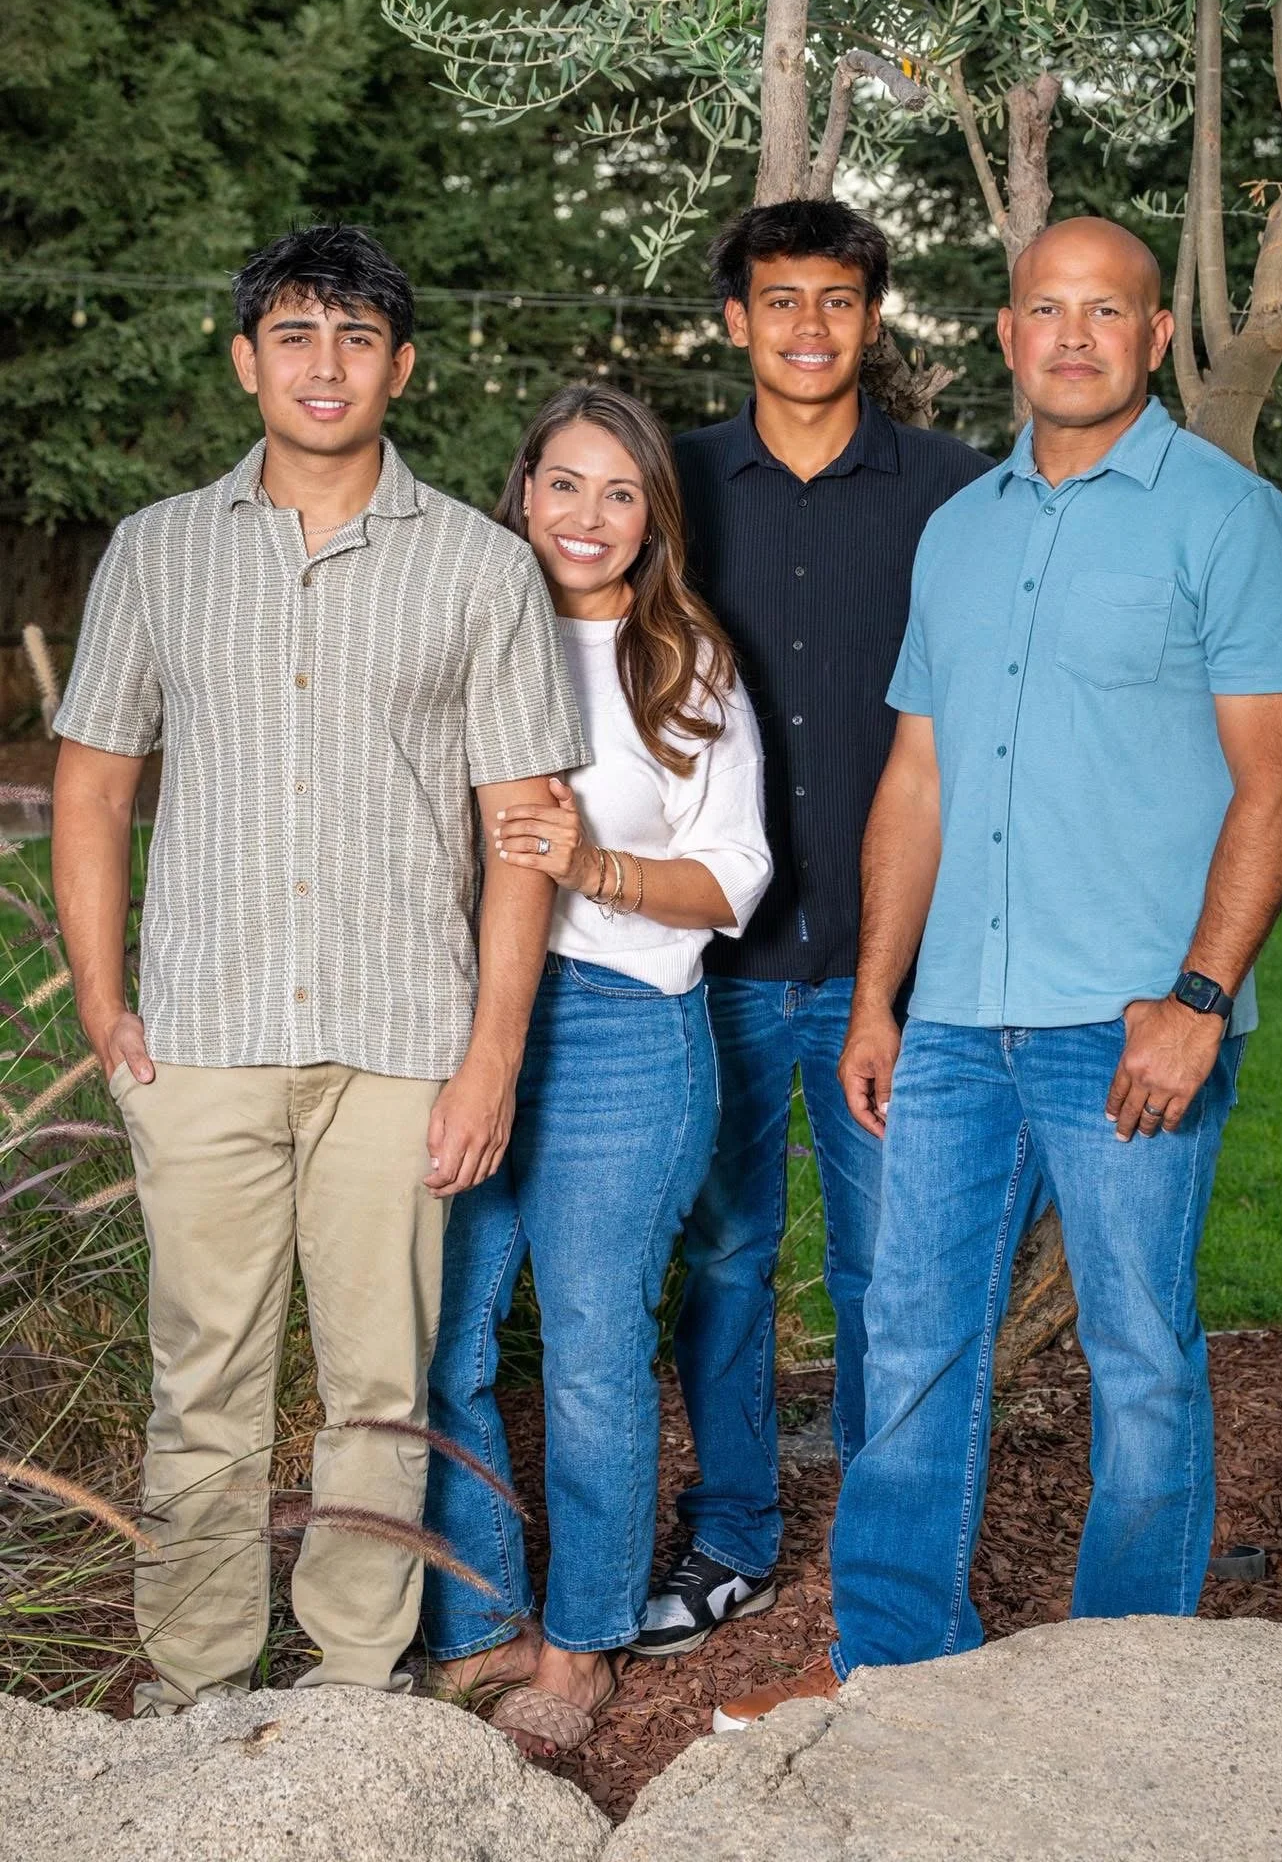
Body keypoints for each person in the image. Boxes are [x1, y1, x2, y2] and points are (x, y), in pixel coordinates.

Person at [716, 214, 1282, 1726]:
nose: (1071, 336)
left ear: (1153, 338)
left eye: (1104, 312)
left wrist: (1194, 1001)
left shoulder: (1225, 519)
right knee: (910, 1340)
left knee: (1138, 1353)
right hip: (950, 1026)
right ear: (1005, 335)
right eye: (1044, 310)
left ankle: (1120, 1684)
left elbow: (1279, 786)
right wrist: (875, 997)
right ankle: (895, 1667)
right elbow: (915, 779)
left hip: (1124, 1025)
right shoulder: (964, 528)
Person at [51, 225, 587, 1715]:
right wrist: (105, 1004)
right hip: (204, 1040)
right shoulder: (157, 552)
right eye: (295, 335)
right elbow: (93, 789)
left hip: (399, 1042)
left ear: (402, 367)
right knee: (201, 1389)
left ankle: (354, 1685)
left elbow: (523, 836)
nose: (325, 364)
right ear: (246, 361)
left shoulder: (482, 572)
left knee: (378, 1391)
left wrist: (487, 1055)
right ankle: (199, 1678)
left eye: (356, 338)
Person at [631, 201, 988, 1657]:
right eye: (778, 302)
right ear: (736, 322)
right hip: (698, 968)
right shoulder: (672, 488)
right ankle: (732, 1538)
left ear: (871, 317)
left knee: (887, 1273)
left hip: (884, 971)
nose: (806, 329)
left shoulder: (958, 496)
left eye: (834, 301)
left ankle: (883, 1553)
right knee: (721, 1262)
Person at [421, 384, 771, 1755]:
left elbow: (738, 872)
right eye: (563, 484)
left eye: (618, 492)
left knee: (590, 1354)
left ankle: (582, 1639)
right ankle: (474, 1619)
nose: (586, 515)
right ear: (520, 495)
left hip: (624, 1032)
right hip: (456, 1029)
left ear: (650, 520)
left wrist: (597, 867)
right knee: (444, 1345)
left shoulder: (683, 660)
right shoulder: (456, 635)